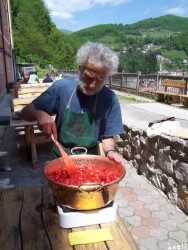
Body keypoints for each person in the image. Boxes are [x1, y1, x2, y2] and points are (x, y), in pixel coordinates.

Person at [21, 42, 125, 165]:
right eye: (89, 76)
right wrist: (39, 114)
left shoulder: (110, 98)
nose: (93, 85)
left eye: (101, 79)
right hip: (61, 156)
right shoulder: (62, 87)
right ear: (80, 68)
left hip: (91, 160)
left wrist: (110, 152)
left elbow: (108, 136)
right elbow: (25, 111)